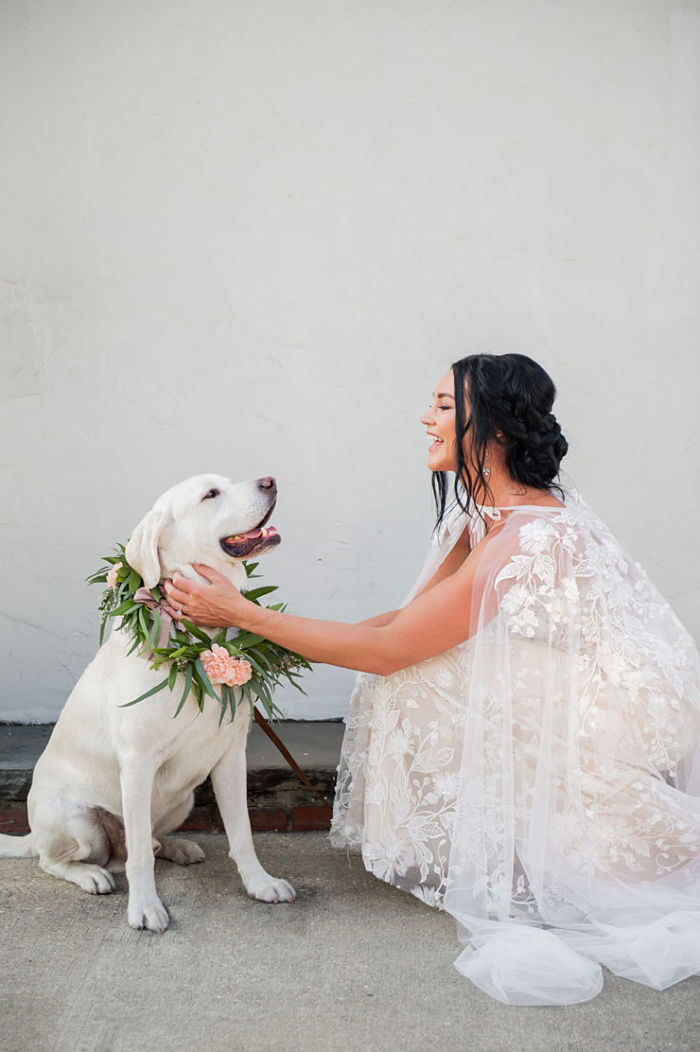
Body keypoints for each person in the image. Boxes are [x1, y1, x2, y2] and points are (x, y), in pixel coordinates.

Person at [163, 353, 700, 1006]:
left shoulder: (533, 532)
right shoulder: (486, 514)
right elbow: (406, 621)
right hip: (552, 709)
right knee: (408, 664)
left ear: (497, 428)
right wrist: (258, 642)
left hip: (595, 731)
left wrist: (242, 614)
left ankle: (533, 843)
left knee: (411, 674)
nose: (426, 417)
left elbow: (392, 648)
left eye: (445, 406)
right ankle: (516, 838)